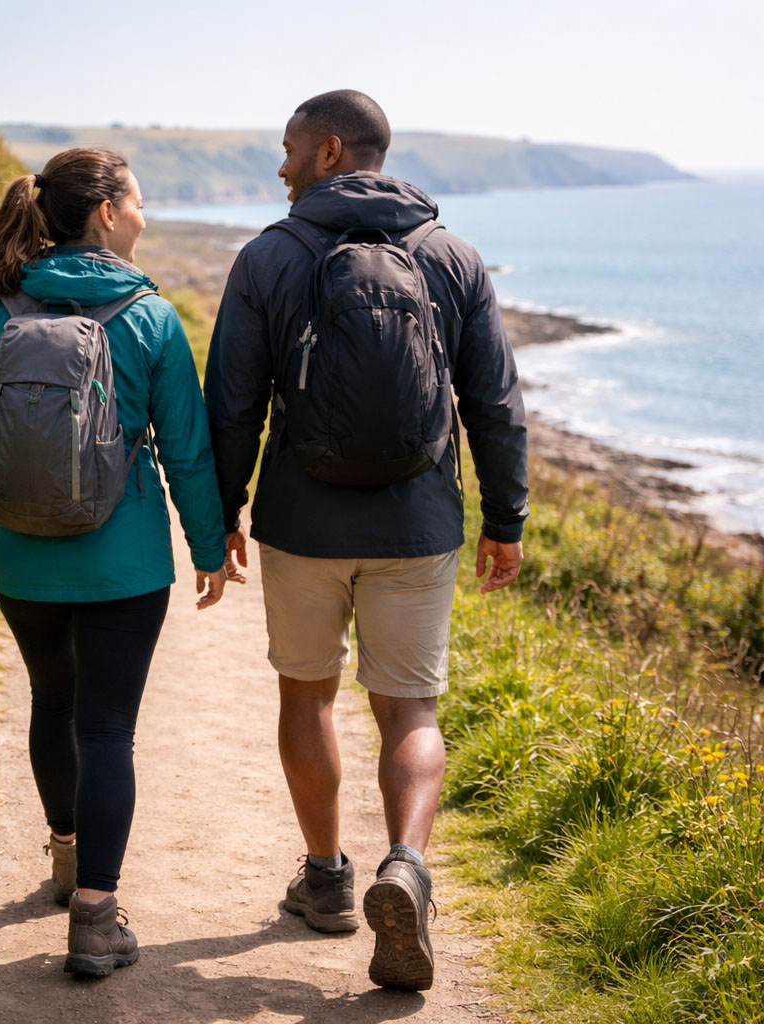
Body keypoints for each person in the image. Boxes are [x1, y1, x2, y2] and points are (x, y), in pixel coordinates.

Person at [203, 90, 528, 991]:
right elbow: (495, 403)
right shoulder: (452, 256)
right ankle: (407, 870)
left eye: (289, 149)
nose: (280, 166)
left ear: (331, 151)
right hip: (418, 525)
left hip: (303, 526)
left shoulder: (269, 256)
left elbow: (232, 404)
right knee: (411, 710)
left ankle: (327, 879)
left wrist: (219, 515)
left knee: (308, 697)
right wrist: (506, 521)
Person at [0, 147, 232, 979]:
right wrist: (209, 548)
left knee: (53, 702)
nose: (145, 215)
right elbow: (188, 452)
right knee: (109, 729)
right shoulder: (151, 316)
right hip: (124, 563)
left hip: (20, 557)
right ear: (105, 213)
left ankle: (63, 853)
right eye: (137, 201)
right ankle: (95, 915)